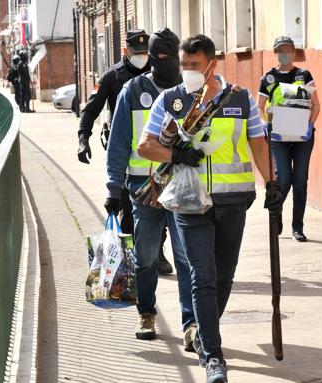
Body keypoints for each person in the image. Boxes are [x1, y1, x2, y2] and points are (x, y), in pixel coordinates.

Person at [137, 34, 282, 383]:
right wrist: (176, 155)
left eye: (194, 66)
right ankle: (213, 357)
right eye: (183, 65)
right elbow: (145, 145)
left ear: (212, 64)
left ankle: (204, 331)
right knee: (201, 277)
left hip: (233, 201)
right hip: (188, 204)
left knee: (223, 276)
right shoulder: (170, 101)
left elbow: (258, 143)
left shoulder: (240, 98)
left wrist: (272, 183)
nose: (187, 71)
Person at [104, 28, 197, 349]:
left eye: (170, 58)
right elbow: (117, 142)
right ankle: (146, 314)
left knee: (186, 257)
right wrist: (113, 187)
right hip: (143, 186)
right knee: (145, 256)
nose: (163, 64)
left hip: (183, 183)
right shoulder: (133, 90)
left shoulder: (192, 92)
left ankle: (192, 323)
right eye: (158, 58)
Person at [77, 29, 174, 274]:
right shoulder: (113, 77)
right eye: (136, 52)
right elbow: (91, 109)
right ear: (126, 51)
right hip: (123, 155)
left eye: (145, 52)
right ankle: (128, 263)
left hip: (156, 159)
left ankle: (155, 252)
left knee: (156, 212)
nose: (141, 57)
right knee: (127, 211)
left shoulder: (159, 76)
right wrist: (83, 138)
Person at [257, 36, 320, 242]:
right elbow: (260, 107)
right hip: (278, 136)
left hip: (303, 136)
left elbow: (316, 103)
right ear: (275, 53)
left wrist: (310, 125)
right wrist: (268, 125)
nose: (283, 53)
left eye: (287, 49)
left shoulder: (304, 74)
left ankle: (298, 227)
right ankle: (277, 216)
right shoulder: (268, 78)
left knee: (300, 181)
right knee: (283, 179)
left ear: (294, 52)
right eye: (279, 50)